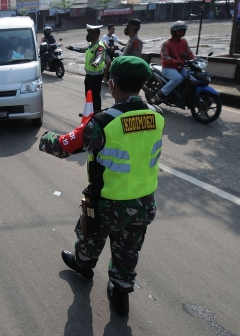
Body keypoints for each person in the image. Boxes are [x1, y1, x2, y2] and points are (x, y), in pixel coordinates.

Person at [40, 56, 164, 316]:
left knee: (90, 235)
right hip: (144, 202)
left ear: (112, 84)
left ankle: (83, 266)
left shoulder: (104, 121)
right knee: (128, 249)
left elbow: (66, 146)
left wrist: (46, 138)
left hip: (107, 202)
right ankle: (120, 292)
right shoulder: (157, 116)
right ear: (141, 84)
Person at [66, 25, 107, 112]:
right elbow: (82, 50)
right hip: (89, 75)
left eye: (90, 33)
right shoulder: (91, 44)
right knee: (88, 95)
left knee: (95, 96)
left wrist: (96, 62)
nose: (88, 35)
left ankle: (96, 113)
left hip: (96, 76)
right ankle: (89, 112)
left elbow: (100, 56)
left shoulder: (99, 46)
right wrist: (73, 48)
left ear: (95, 34)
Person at [154, 21, 195, 107]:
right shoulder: (166, 43)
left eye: (182, 31)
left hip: (180, 67)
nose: (181, 33)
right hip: (168, 68)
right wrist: (175, 61)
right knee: (178, 78)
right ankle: (161, 94)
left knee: (191, 78)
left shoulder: (184, 42)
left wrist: (196, 60)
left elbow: (189, 53)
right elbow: (165, 56)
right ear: (174, 32)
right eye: (179, 31)